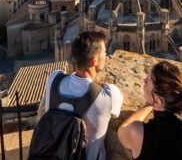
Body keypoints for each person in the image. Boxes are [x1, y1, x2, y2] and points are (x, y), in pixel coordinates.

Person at [37, 31, 123, 160]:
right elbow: (119, 102)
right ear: (94, 60)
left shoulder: (54, 79)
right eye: (104, 52)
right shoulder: (108, 95)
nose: (106, 55)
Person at [117, 61, 182, 160]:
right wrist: (154, 101)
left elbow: (123, 128)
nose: (144, 80)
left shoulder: (136, 132)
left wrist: (148, 105)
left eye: (147, 81)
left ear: (158, 101)